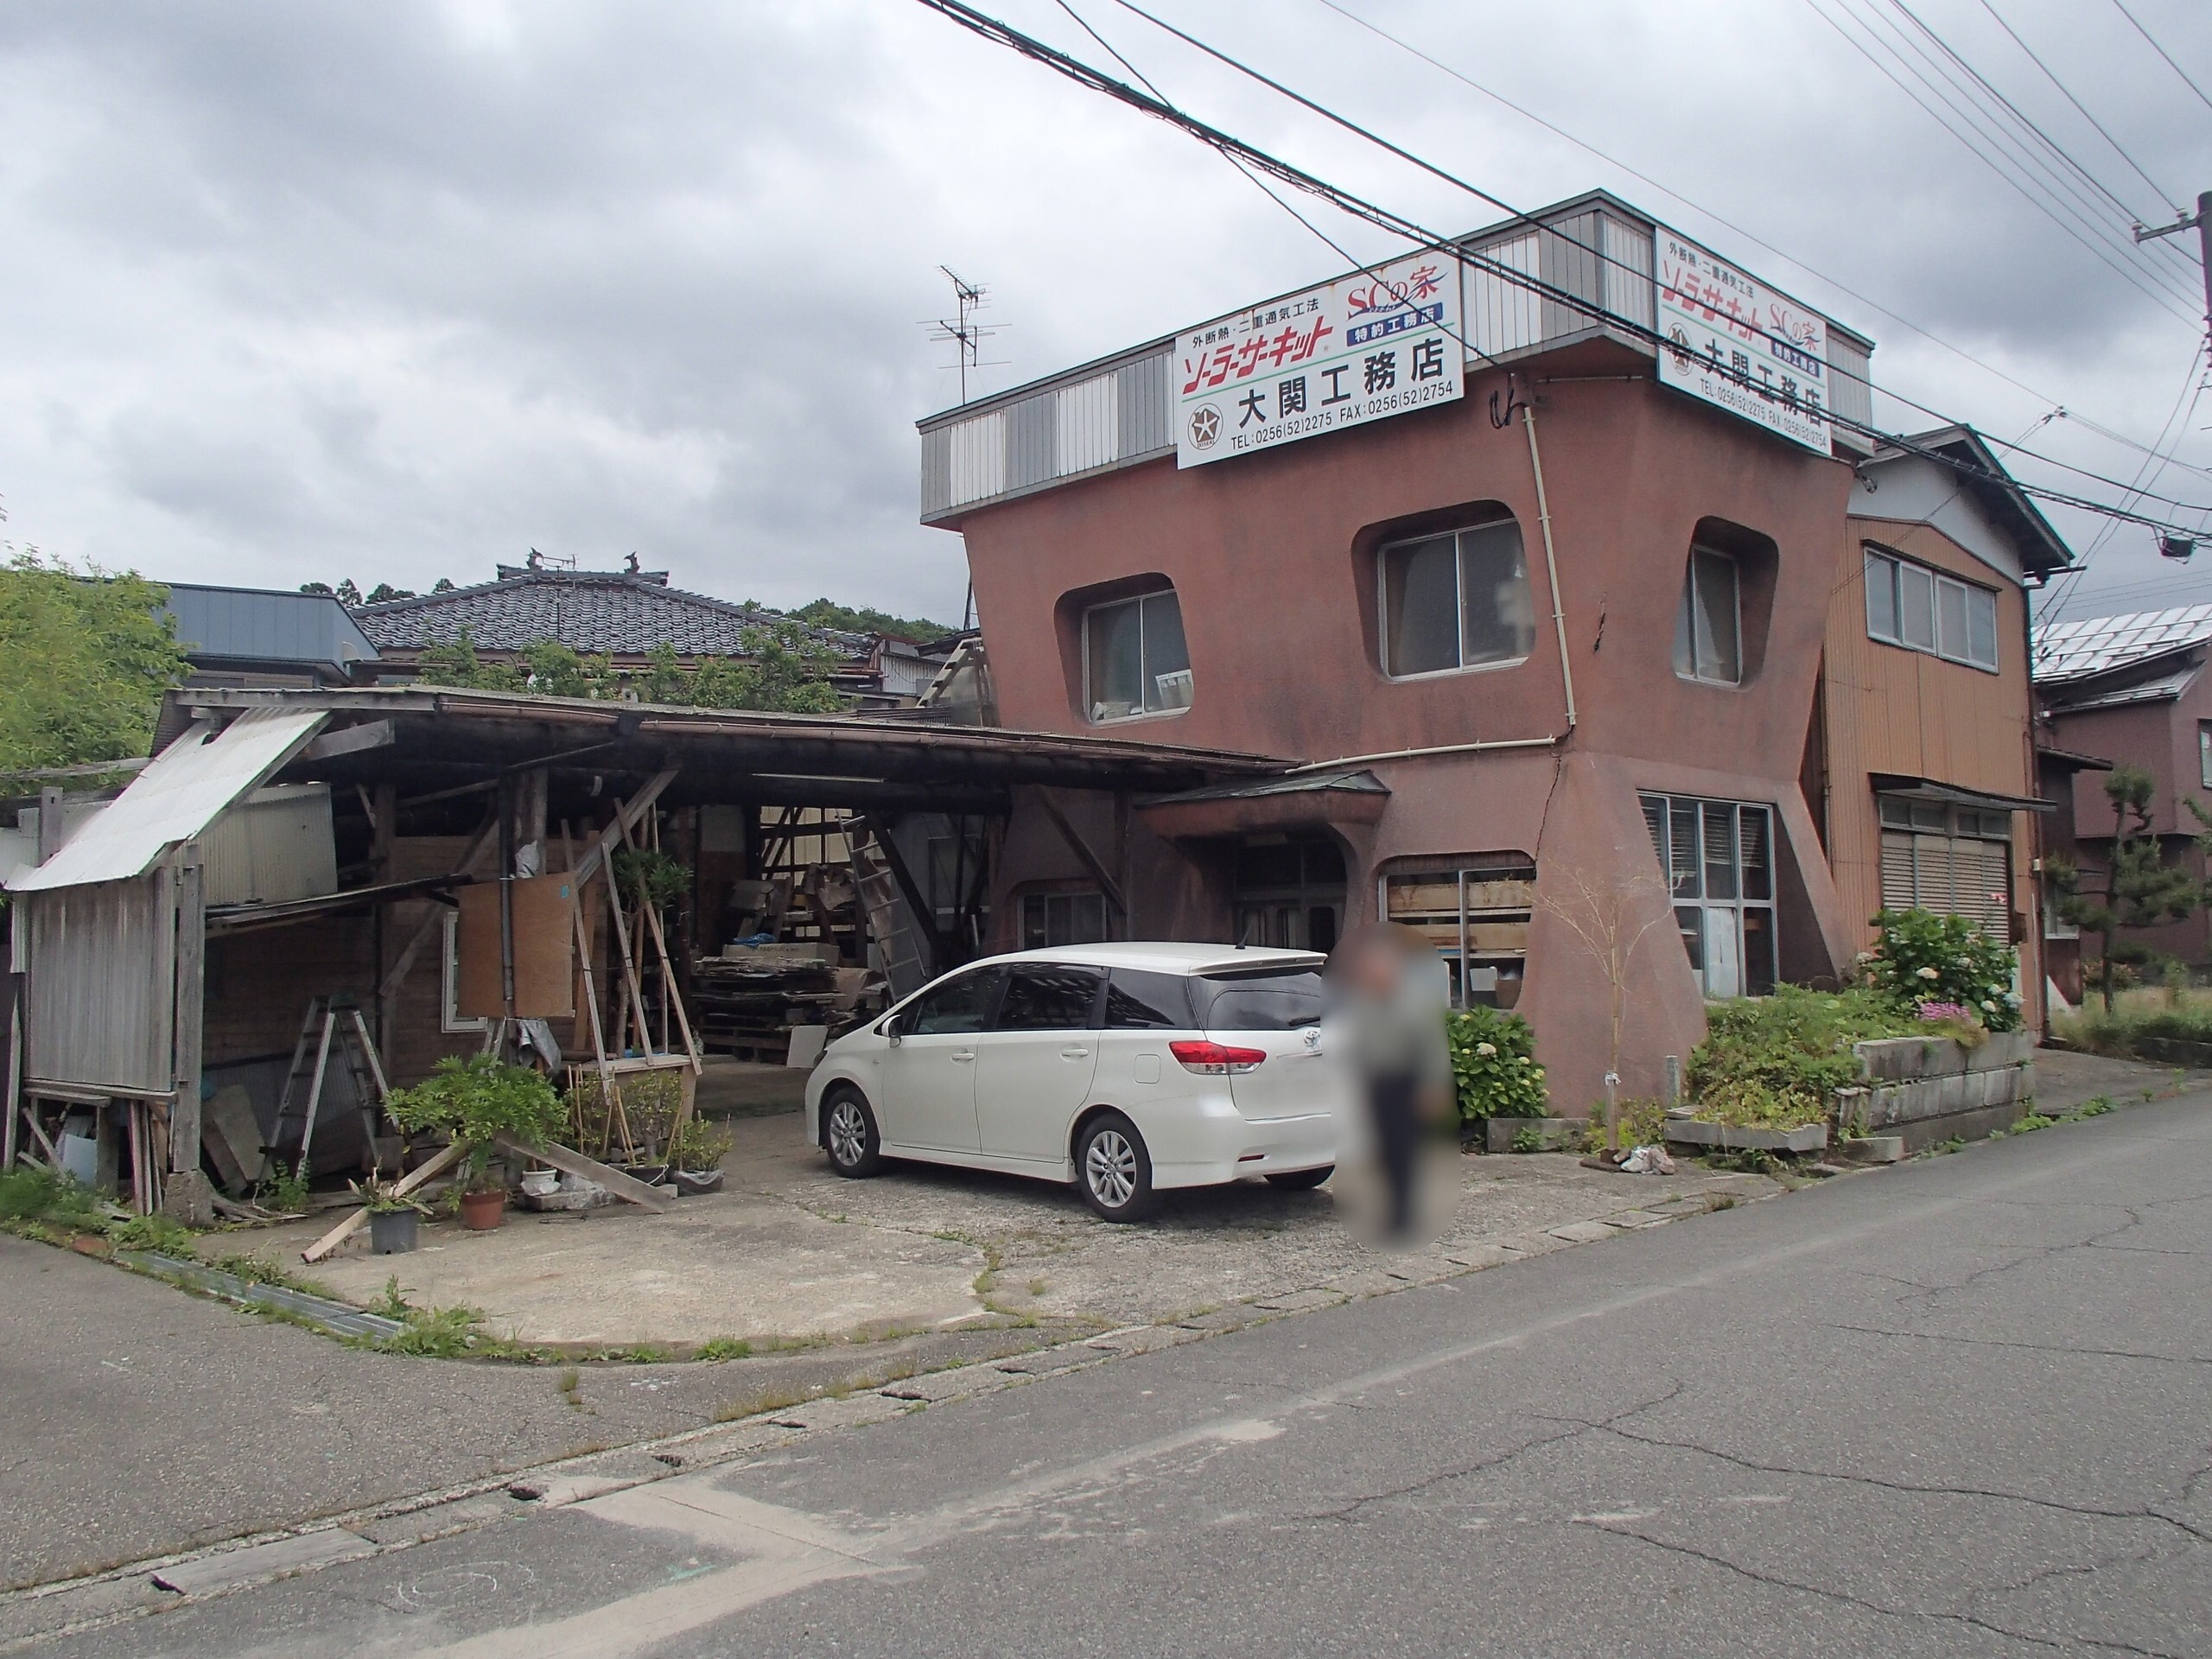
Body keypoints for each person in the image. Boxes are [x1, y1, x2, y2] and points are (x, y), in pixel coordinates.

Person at [1327, 924, 1452, 1243]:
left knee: (1403, 1150)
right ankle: (1389, 1205)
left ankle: (1403, 1213)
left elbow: (1432, 1048)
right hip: (1376, 1083)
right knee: (1380, 1149)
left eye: (1382, 967)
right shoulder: (1364, 1003)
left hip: (1407, 1083)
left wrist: (1432, 1087)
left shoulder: (1414, 1004)